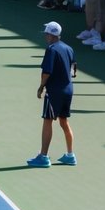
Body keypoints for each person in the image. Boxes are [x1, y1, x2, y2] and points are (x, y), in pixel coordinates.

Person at [28, 22, 76, 167]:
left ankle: (43, 157)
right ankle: (70, 155)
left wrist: (41, 87)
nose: (45, 36)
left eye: (46, 34)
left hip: (55, 91)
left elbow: (46, 72)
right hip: (68, 90)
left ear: (50, 35)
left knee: (48, 120)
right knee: (64, 121)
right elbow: (73, 71)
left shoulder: (51, 49)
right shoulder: (69, 48)